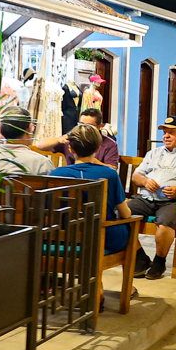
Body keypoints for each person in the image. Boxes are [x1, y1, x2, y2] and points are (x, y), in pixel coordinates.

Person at [51, 123, 139, 301]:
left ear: (70, 148)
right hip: (103, 237)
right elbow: (125, 213)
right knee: (130, 228)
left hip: (65, 238)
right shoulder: (109, 174)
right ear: (98, 149)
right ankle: (127, 286)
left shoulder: (56, 173)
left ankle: (94, 286)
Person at [127, 116, 176, 277]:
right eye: (164, 133)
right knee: (120, 215)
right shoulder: (153, 153)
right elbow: (136, 176)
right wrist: (145, 181)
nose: (166, 136)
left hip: (172, 201)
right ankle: (140, 256)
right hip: (146, 198)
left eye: (171, 133)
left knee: (164, 224)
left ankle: (159, 261)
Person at [39, 107, 119, 166]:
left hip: (96, 179)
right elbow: (40, 146)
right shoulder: (72, 138)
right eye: (81, 124)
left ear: (99, 126)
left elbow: (112, 168)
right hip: (73, 178)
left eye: (88, 126)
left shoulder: (109, 144)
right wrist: (59, 139)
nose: (83, 128)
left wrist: (87, 158)